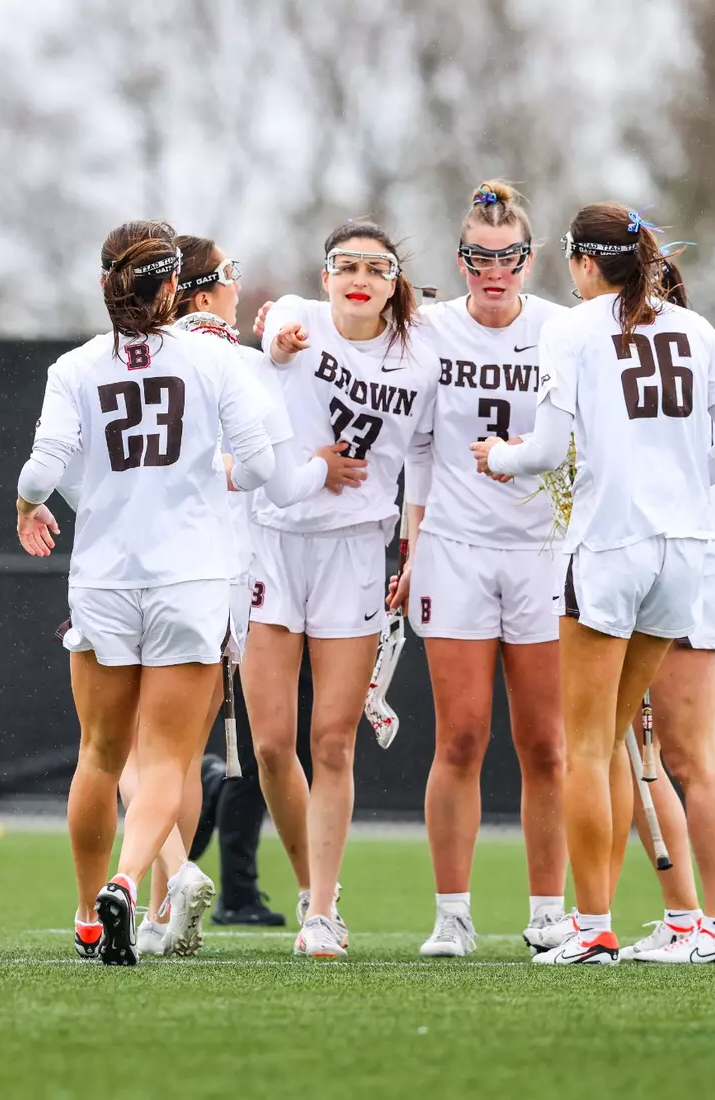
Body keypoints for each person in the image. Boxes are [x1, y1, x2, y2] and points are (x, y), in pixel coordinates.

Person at [470, 202, 715, 966]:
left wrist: (498, 457)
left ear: (584, 262)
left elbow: (548, 448)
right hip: (685, 553)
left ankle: (592, 924)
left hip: (607, 548)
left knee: (590, 746)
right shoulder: (694, 329)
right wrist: (672, 480)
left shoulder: (572, 327)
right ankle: (710, 924)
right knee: (635, 745)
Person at [16, 219, 276, 966]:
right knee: (166, 761)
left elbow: (42, 470)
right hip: (189, 581)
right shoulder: (213, 360)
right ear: (173, 288)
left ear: (106, 284)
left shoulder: (73, 368)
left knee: (99, 756)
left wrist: (31, 504)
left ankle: (86, 915)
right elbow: (259, 465)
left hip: (102, 579)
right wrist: (215, 471)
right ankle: (130, 882)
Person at [103, 235, 363, 956]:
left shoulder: (114, 360)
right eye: (231, 277)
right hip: (214, 577)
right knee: (173, 749)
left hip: (124, 573)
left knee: (142, 750)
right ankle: (167, 895)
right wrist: (318, 468)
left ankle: (163, 892)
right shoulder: (232, 364)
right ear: (202, 288)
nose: (240, 288)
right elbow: (272, 479)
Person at [382, 182, 569, 957]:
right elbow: (418, 452)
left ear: (528, 259)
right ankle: (452, 915)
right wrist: (411, 545)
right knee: (460, 738)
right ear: (461, 260)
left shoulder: (563, 330)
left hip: (542, 552)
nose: (494, 272)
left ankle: (550, 913)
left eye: (509, 257)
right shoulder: (429, 330)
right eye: (479, 257)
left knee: (547, 745)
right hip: (455, 548)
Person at [247, 220, 438, 958]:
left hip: (357, 549)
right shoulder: (297, 314)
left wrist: (414, 544)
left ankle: (323, 912)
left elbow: (423, 456)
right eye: (346, 264)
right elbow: (271, 343)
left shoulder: (421, 357)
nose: (359, 277)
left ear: (396, 282)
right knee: (270, 746)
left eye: (376, 267)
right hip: (275, 540)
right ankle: (307, 883)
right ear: (326, 274)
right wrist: (280, 345)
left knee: (331, 738)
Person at [616, 259, 715, 965]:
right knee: (645, 750)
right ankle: (691, 919)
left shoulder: (688, 346)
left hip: (685, 568)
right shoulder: (613, 351)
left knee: (685, 751)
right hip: (659, 566)